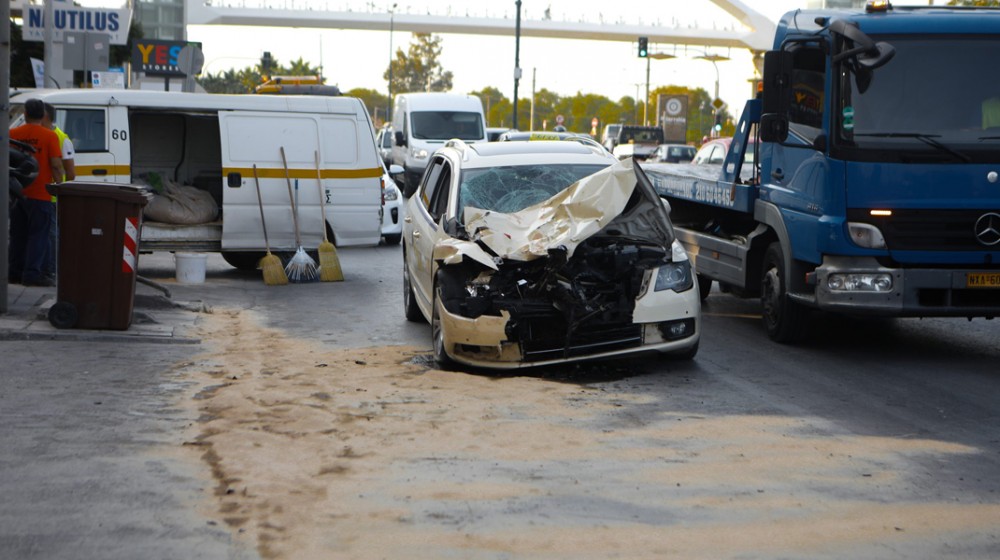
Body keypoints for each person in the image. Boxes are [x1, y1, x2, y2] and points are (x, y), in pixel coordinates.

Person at [9, 99, 65, 287]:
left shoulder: (12, 134)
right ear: (43, 115)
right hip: (41, 194)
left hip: (16, 192)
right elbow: (56, 165)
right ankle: (33, 274)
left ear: (24, 114)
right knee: (38, 235)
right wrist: (61, 187)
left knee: (18, 234)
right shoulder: (49, 136)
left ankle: (14, 271)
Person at [42, 103, 76, 283]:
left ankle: (52, 270)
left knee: (51, 235)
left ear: (45, 117)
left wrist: (64, 193)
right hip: (38, 195)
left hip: (53, 197)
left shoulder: (62, 138)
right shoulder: (38, 134)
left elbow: (70, 173)